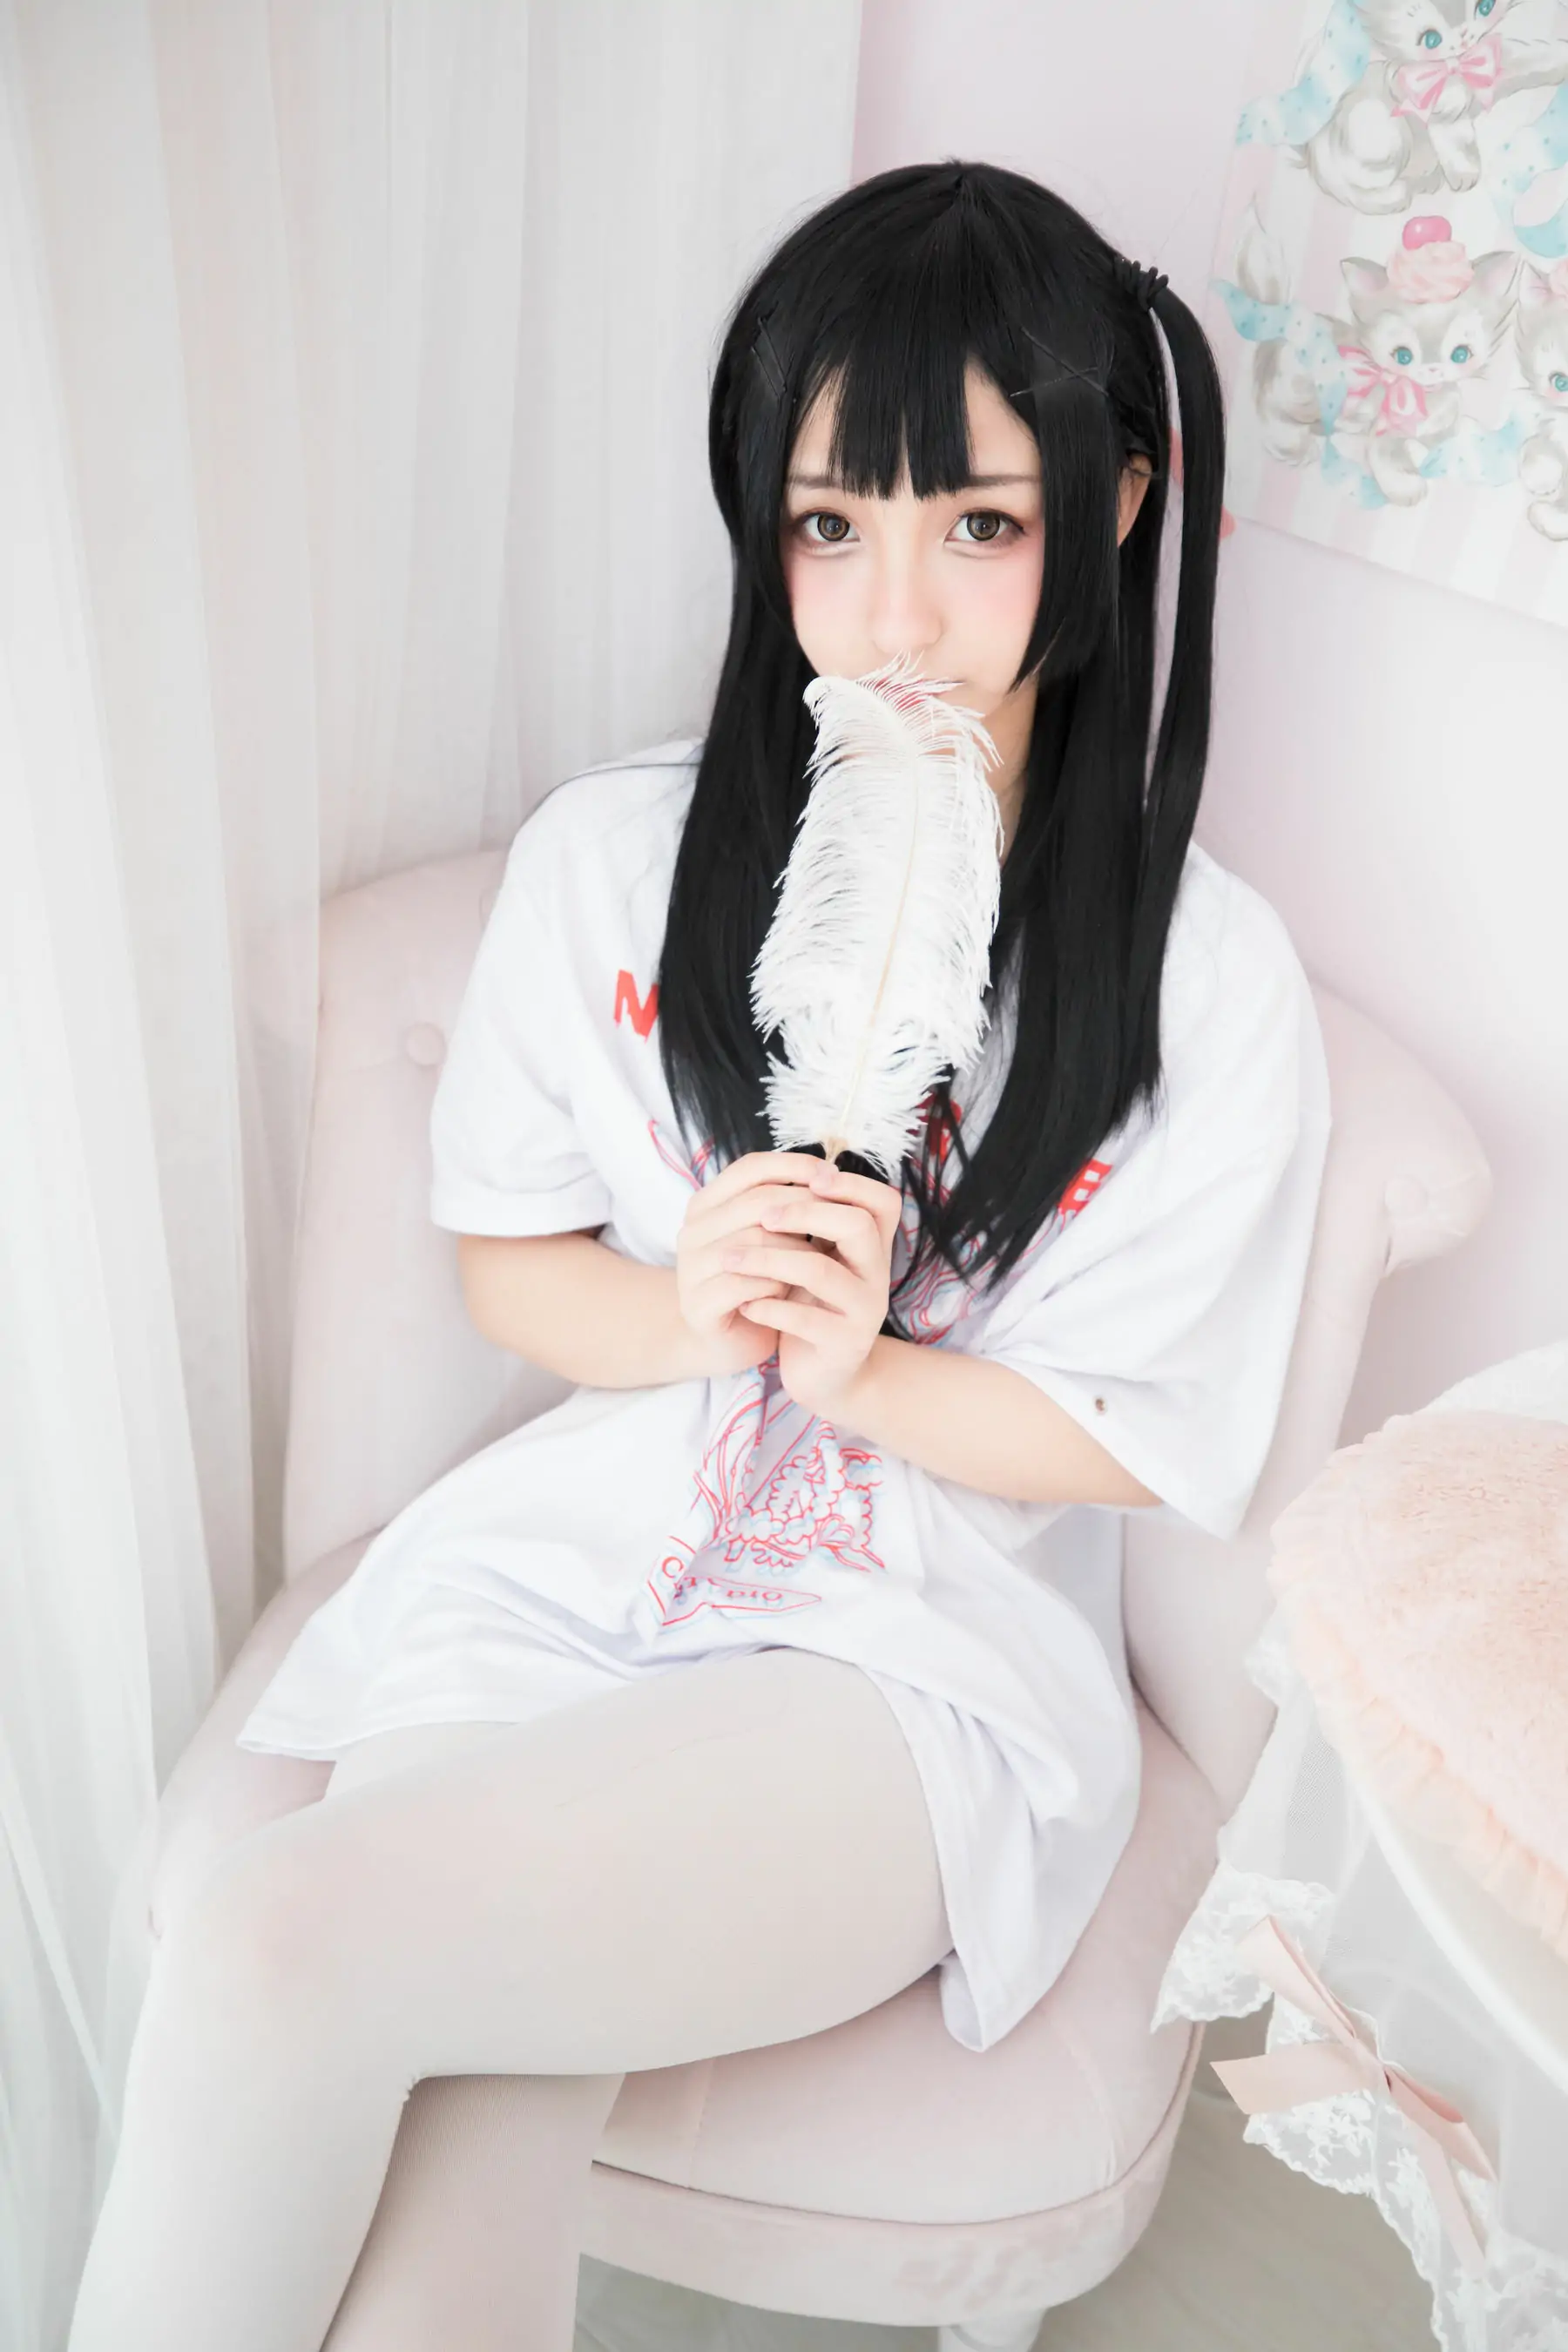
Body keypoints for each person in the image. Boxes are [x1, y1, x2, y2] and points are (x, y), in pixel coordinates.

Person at [67, 159, 1331, 2351]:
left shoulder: (1206, 986)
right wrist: (690, 1307)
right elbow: (510, 1263)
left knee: (273, 1943)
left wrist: (865, 1370)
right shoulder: (611, 861)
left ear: (1117, 505)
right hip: (559, 1570)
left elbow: (1146, 1442)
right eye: (833, 525)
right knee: (461, 2178)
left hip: (901, 1662)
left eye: (981, 525)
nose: (896, 613)